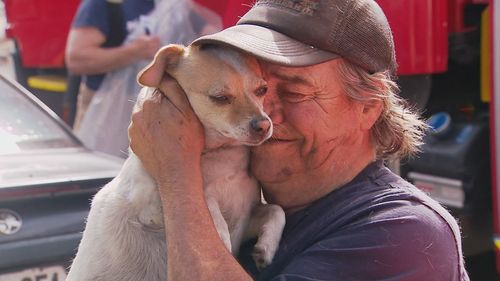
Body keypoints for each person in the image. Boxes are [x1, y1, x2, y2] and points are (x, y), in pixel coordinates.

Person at [128, 0, 470, 280]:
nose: (263, 114)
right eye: (255, 88)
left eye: (293, 92)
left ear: (368, 109)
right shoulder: (247, 204)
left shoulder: (403, 233)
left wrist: (176, 172)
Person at [65, 0, 161, 131]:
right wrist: (134, 52)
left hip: (152, 109)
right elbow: (76, 59)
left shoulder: (173, 6)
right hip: (103, 109)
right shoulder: (101, 4)